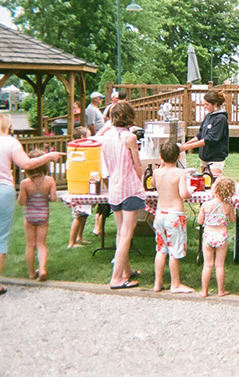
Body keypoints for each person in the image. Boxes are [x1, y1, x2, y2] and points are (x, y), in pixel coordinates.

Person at [0, 113, 62, 299]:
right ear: (6, 126)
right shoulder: (10, 142)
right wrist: (48, 157)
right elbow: (26, 163)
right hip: (2, 191)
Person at [102, 101, 145, 290]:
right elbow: (137, 166)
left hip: (114, 187)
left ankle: (126, 270)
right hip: (129, 187)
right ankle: (116, 277)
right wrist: (140, 176)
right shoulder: (129, 138)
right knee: (127, 234)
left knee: (121, 232)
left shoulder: (106, 136)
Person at [150, 140, 194, 294]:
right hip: (174, 215)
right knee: (174, 250)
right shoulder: (180, 173)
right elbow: (183, 193)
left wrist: (161, 166)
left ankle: (158, 282)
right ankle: (175, 284)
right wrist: (190, 192)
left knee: (161, 249)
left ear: (161, 157)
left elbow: (152, 184)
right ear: (178, 156)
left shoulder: (157, 172)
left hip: (160, 214)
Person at [18, 148, 57, 281]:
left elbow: (21, 202)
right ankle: (42, 269)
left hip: (29, 217)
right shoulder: (50, 181)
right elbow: (53, 198)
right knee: (41, 244)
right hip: (43, 216)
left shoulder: (25, 183)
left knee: (30, 245)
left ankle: (31, 273)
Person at [196, 176, 236, 297]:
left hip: (209, 235)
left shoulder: (206, 205)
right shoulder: (228, 206)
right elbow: (233, 220)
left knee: (207, 264)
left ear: (215, 190)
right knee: (219, 265)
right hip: (221, 236)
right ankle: (221, 290)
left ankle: (204, 290)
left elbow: (199, 221)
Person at [180, 89, 229, 178]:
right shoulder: (208, 116)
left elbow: (210, 139)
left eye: (207, 104)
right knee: (204, 184)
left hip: (215, 159)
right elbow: (200, 135)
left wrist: (187, 147)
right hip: (204, 158)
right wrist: (185, 144)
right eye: (204, 104)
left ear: (215, 104)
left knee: (211, 183)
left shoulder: (221, 119)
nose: (205, 107)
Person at [67, 126, 93, 248]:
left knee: (84, 214)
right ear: (83, 137)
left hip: (84, 185)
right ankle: (71, 242)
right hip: (79, 186)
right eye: (89, 135)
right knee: (78, 215)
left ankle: (79, 237)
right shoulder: (78, 150)